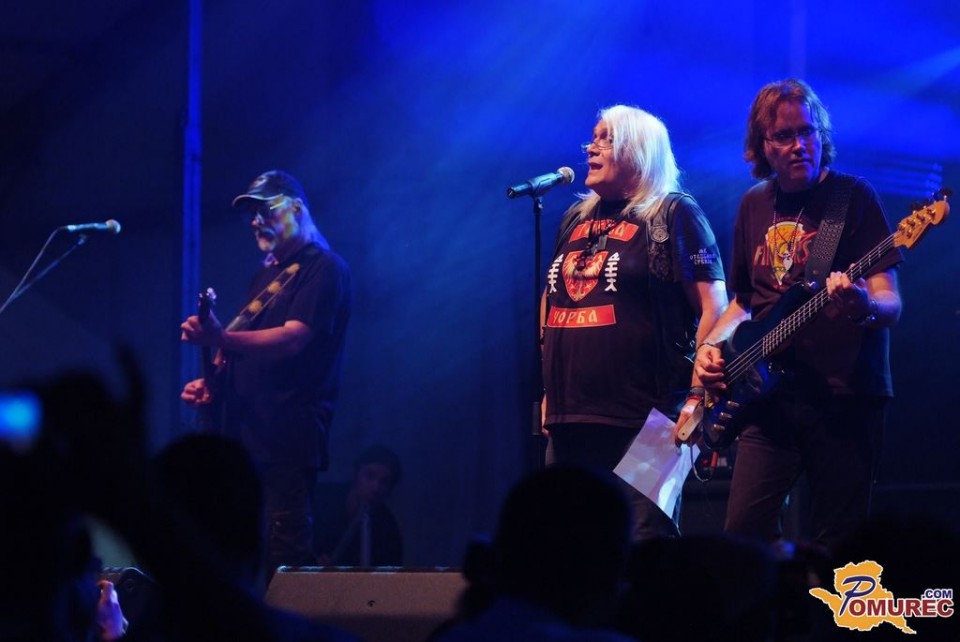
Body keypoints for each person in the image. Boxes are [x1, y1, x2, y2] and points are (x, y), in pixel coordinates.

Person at [695, 79, 903, 552]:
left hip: (844, 396)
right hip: (767, 397)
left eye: (806, 132)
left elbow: (889, 300)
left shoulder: (852, 198)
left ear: (820, 135)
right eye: (784, 136)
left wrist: (865, 307)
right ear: (762, 146)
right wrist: (710, 347)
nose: (798, 145)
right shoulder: (753, 203)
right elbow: (744, 303)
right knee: (743, 535)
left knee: (841, 542)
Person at [541, 104, 727, 540]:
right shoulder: (575, 218)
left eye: (607, 139)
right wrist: (548, 389)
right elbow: (551, 300)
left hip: (652, 419)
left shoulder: (673, 213)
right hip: (572, 416)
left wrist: (697, 396)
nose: (592, 148)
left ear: (639, 150)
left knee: (645, 543)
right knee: (569, 547)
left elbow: (714, 306)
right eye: (592, 138)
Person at [180, 170, 352, 571]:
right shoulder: (265, 274)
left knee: (283, 556)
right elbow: (245, 349)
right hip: (245, 436)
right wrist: (214, 384)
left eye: (266, 210)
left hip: (286, 438)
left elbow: (293, 339)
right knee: (231, 553)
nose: (256, 221)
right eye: (251, 214)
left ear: (296, 209)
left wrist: (221, 338)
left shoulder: (324, 268)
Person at [313, 444, 404, 566]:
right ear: (356, 474)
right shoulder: (321, 499)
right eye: (370, 476)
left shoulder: (388, 531)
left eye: (384, 482)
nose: (375, 487)